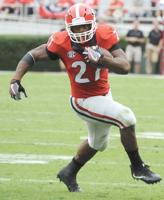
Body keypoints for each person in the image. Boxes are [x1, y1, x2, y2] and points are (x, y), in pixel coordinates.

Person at [9, 3, 161, 192]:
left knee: (98, 143)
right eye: (76, 28)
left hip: (104, 95)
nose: (81, 31)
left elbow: (125, 67)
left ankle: (69, 172)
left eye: (85, 26)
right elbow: (32, 55)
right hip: (83, 101)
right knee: (126, 117)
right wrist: (15, 79)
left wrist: (103, 60)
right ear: (68, 28)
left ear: (93, 24)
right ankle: (138, 168)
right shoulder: (61, 41)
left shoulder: (104, 35)